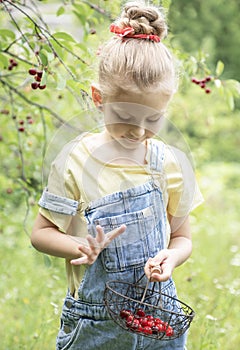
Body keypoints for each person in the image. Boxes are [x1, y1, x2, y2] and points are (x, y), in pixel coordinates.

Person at [31, 1, 203, 349]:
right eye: (125, 115)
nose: (138, 131)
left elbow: (182, 237)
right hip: (96, 326)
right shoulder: (76, 159)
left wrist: (172, 256)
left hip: (159, 319)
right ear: (98, 99)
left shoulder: (170, 163)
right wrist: (79, 245)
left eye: (153, 119)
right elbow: (41, 233)